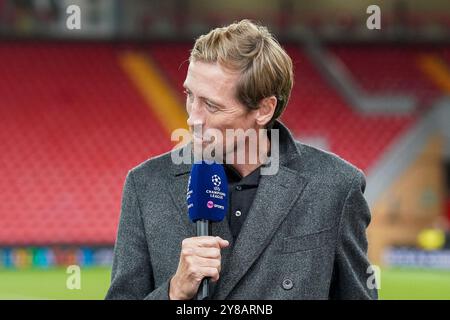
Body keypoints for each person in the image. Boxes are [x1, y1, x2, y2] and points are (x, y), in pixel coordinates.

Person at [105, 19, 378, 300]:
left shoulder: (336, 186)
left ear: (264, 109)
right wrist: (174, 292)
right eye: (190, 95)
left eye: (211, 105)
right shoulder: (146, 184)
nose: (192, 118)